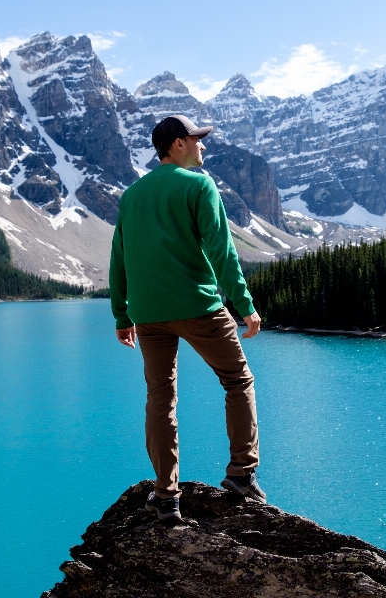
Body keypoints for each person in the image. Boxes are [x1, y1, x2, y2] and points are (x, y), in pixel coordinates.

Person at [109, 114, 265, 522]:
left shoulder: (131, 196)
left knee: (160, 398)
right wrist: (244, 305)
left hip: (148, 318)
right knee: (238, 381)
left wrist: (122, 315)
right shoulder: (199, 185)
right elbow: (222, 251)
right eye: (197, 139)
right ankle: (242, 475)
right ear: (177, 144)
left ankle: (165, 495)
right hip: (199, 309)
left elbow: (119, 260)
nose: (203, 146)